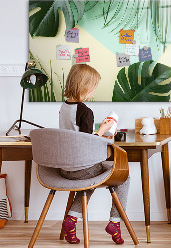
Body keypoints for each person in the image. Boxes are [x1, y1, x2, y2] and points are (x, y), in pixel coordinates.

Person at [59, 64, 129, 245]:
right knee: (124, 176)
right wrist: (104, 130)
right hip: (82, 168)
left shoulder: (64, 107)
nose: (94, 91)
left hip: (65, 168)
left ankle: (71, 220)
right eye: (94, 87)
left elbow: (76, 136)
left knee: (89, 179)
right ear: (85, 86)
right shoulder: (85, 111)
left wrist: (98, 132)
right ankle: (115, 222)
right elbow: (87, 143)